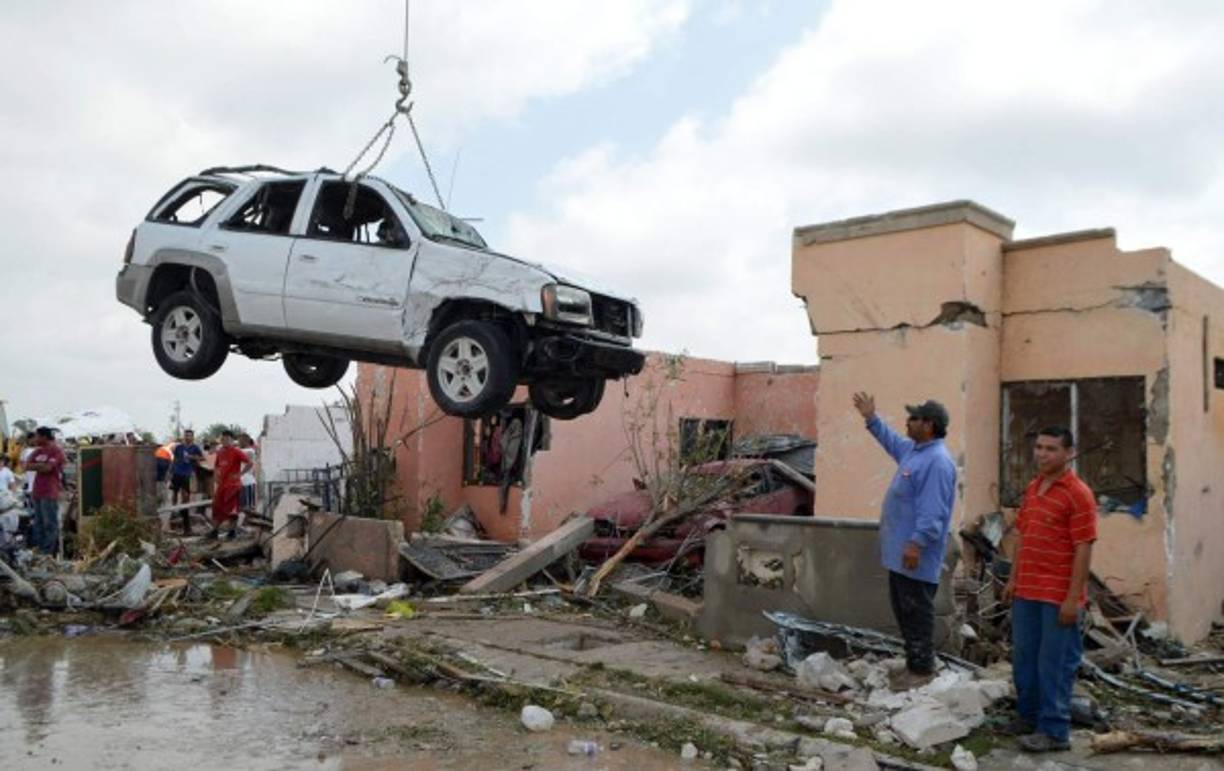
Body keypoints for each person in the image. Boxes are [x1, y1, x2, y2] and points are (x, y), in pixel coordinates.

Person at [1001, 426, 1096, 752]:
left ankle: (1055, 731)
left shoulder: (1079, 493)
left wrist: (1073, 598)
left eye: (1051, 449)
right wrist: (1014, 579)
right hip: (1027, 591)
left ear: (1068, 453)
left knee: (1055, 665)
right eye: (1039, 447)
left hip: (1058, 596)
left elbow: (1083, 548)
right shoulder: (1033, 488)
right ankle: (1028, 717)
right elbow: (1023, 537)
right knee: (1024, 659)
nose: (1042, 453)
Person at [853, 392, 957, 690]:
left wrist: (916, 543)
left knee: (916, 611)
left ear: (929, 425)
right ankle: (914, 664)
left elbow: (933, 512)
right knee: (903, 609)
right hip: (900, 553)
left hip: (915, 554)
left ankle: (922, 670)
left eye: (913, 418)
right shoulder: (915, 451)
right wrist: (871, 418)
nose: (907, 422)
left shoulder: (936, 462)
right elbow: (891, 441)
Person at [25, 427, 67, 555]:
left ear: (44, 437)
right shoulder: (38, 451)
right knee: (38, 523)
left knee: (49, 523)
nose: (35, 439)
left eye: (37, 436)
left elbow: (48, 469)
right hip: (37, 491)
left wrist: (37, 466)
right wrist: (41, 466)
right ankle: (38, 550)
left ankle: (48, 553)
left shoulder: (56, 451)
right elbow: (26, 465)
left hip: (50, 492)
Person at [210, 431, 252, 539]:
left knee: (232, 511)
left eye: (228, 439)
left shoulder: (236, 451)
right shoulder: (220, 452)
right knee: (216, 508)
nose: (225, 441)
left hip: (233, 485)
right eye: (223, 439)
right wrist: (215, 476)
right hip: (222, 486)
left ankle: (232, 532)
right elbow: (216, 466)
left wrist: (240, 474)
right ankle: (214, 531)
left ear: (232, 440)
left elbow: (250, 463)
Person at [170, 430, 203, 532]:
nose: (188, 437)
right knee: (174, 492)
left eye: (190, 436)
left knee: (185, 494)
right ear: (184, 436)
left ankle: (184, 509)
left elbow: (202, 458)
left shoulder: (195, 447)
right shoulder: (179, 447)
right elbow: (174, 459)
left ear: (193, 437)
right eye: (186, 435)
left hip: (187, 473)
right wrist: (171, 471)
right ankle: (173, 510)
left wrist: (192, 457)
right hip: (176, 472)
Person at [238, 434, 257, 512]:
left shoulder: (249, 451)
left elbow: (250, 464)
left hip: (247, 481)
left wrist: (241, 473)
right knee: (242, 506)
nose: (239, 442)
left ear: (245, 441)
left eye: (240, 440)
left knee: (248, 507)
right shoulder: (242, 450)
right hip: (243, 480)